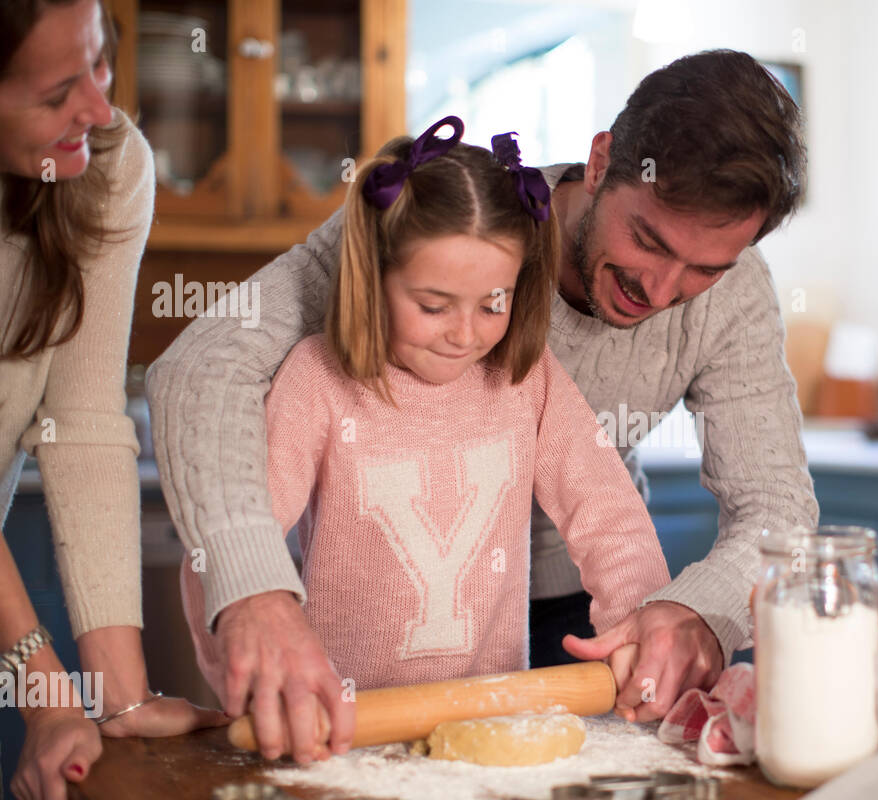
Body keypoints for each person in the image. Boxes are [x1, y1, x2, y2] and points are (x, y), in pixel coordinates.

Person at [147, 49, 818, 762]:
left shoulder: (733, 299)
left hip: (584, 633)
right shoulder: (451, 229)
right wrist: (253, 590)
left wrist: (694, 611)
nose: (660, 289)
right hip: (358, 645)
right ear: (601, 162)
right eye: (648, 240)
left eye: (706, 268)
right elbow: (202, 366)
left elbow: (776, 508)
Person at [176, 119, 671, 755]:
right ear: (373, 277)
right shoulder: (315, 381)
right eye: (433, 306)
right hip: (340, 730)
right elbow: (227, 543)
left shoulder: (528, 380)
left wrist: (638, 634)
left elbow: (609, 516)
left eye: (493, 304)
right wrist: (243, 678)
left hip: (490, 725)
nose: (465, 334)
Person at [0, 0, 223, 800]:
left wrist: (117, 700)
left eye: (100, 64)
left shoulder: (106, 160)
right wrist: (48, 694)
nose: (98, 111)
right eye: (58, 90)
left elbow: (83, 425)